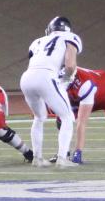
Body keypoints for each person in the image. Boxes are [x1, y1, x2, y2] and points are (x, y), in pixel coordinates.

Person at [20, 16, 81, 168]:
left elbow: (35, 59)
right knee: (67, 117)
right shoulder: (70, 37)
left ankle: (37, 158)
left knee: (39, 117)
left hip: (26, 77)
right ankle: (62, 158)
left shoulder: (37, 41)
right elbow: (70, 64)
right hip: (46, 76)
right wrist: (66, 78)